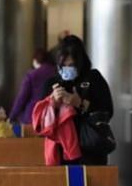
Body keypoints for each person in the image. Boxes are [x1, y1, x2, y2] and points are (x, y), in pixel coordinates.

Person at [39, 35, 114, 165]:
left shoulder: (94, 79)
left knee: (88, 184)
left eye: (72, 65)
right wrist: (53, 105)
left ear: (81, 62)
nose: (67, 69)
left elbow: (107, 111)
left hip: (90, 149)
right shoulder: (51, 84)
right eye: (64, 65)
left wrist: (80, 103)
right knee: (63, 184)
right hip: (61, 152)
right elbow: (41, 121)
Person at [11, 49, 56, 127]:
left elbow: (21, 98)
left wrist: (12, 116)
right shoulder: (57, 72)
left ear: (35, 60)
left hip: (33, 115)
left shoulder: (32, 75)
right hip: (53, 115)